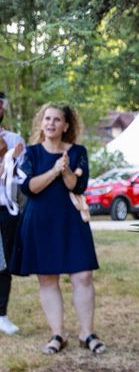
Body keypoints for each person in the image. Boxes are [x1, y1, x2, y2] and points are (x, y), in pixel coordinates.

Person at [11, 103, 106, 355]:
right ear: (41, 123)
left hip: (71, 221)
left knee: (83, 275)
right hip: (40, 222)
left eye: (57, 119)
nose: (51, 123)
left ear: (66, 125)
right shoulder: (30, 154)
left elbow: (78, 186)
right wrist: (54, 170)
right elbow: (29, 187)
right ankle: (57, 334)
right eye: (47, 119)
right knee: (47, 278)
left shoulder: (78, 152)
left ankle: (87, 333)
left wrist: (65, 172)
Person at [0, 92, 26, 335]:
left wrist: (12, 158)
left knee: (4, 262)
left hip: (6, 209)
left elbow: (23, 177)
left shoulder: (15, 140)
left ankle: (2, 315)